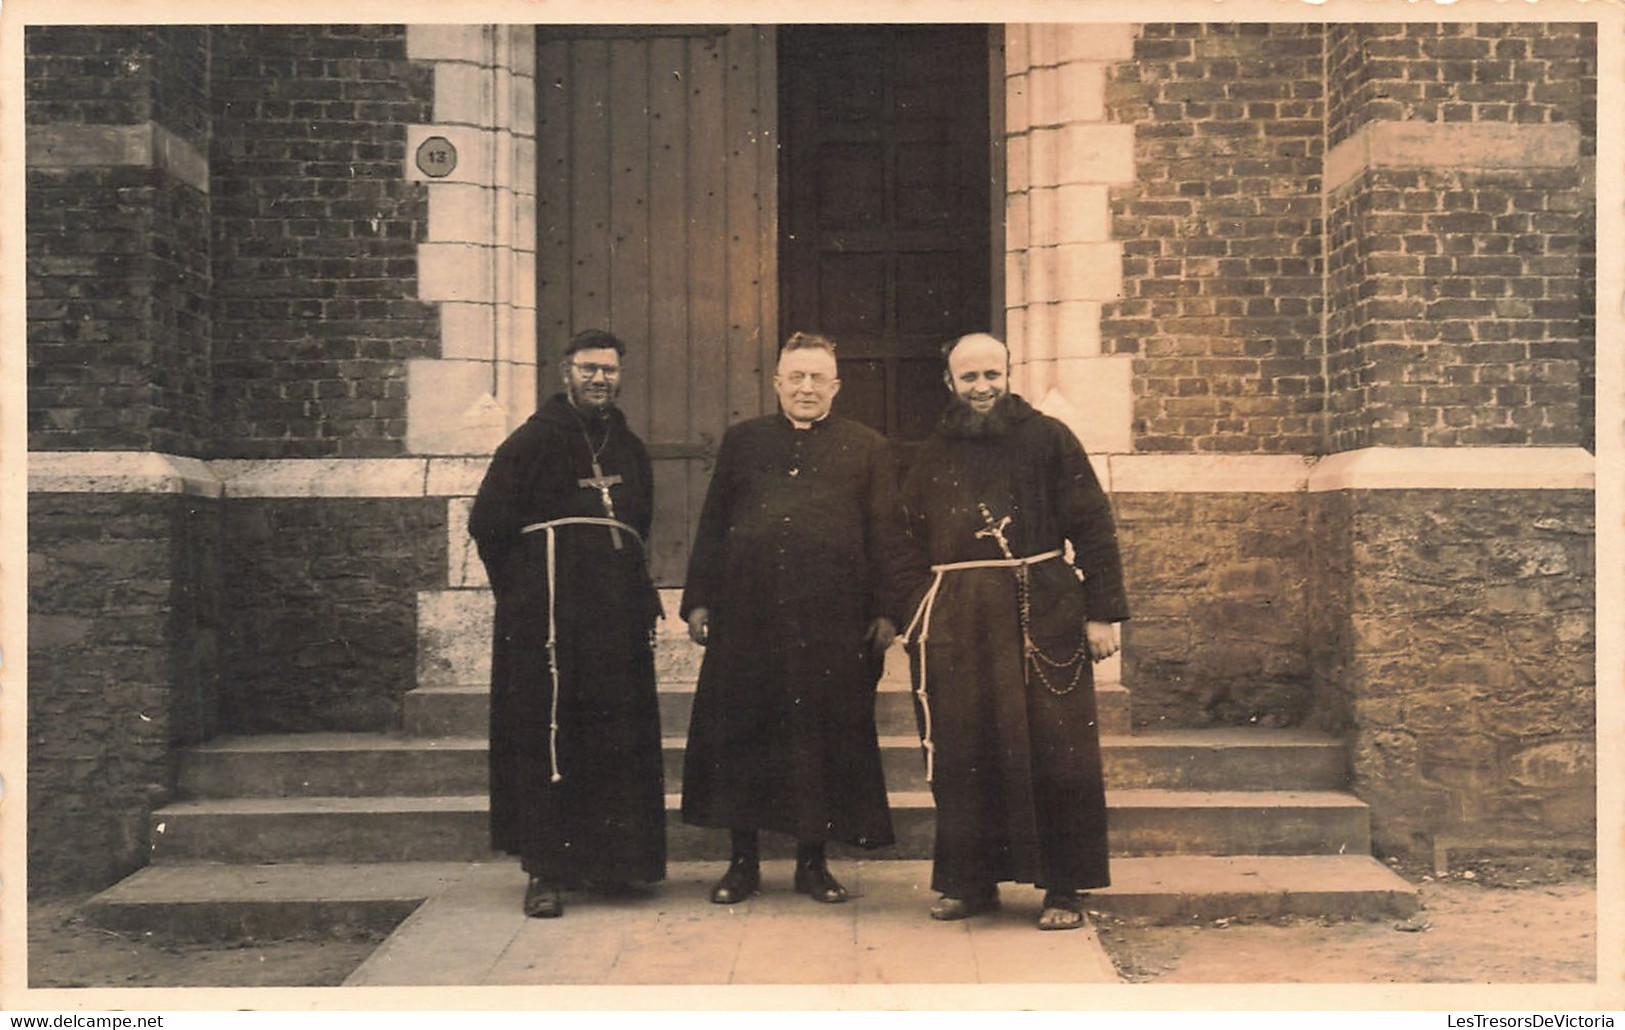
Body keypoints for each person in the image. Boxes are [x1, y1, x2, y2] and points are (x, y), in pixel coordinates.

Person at [897, 332, 1129, 931]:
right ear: (949, 382)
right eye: (969, 378)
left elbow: (1094, 526)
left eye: (991, 375)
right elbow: (901, 544)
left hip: (1043, 611)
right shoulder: (929, 455)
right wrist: (917, 609)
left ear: (1009, 374)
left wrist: (1101, 612)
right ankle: (969, 883)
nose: (982, 388)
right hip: (960, 622)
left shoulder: (1049, 439)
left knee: (1058, 749)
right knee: (965, 748)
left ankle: (1064, 889)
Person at [680, 331, 910, 905]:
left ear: (835, 386)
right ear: (778, 383)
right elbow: (714, 523)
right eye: (796, 377)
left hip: (832, 621)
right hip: (748, 616)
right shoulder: (744, 441)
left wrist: (887, 610)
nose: (806, 388)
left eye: (817, 379)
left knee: (821, 742)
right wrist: (700, 599)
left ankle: (814, 863)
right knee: (743, 736)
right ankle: (742, 865)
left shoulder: (867, 447)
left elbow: (886, 533)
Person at [468, 329, 666, 918]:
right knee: (548, 733)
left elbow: (639, 524)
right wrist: (525, 594)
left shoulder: (628, 448)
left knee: (614, 733)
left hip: (615, 619)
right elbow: (488, 524)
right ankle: (545, 872)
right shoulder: (531, 442)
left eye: (608, 369)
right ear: (565, 373)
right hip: (550, 619)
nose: (599, 378)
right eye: (588, 369)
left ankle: (613, 865)